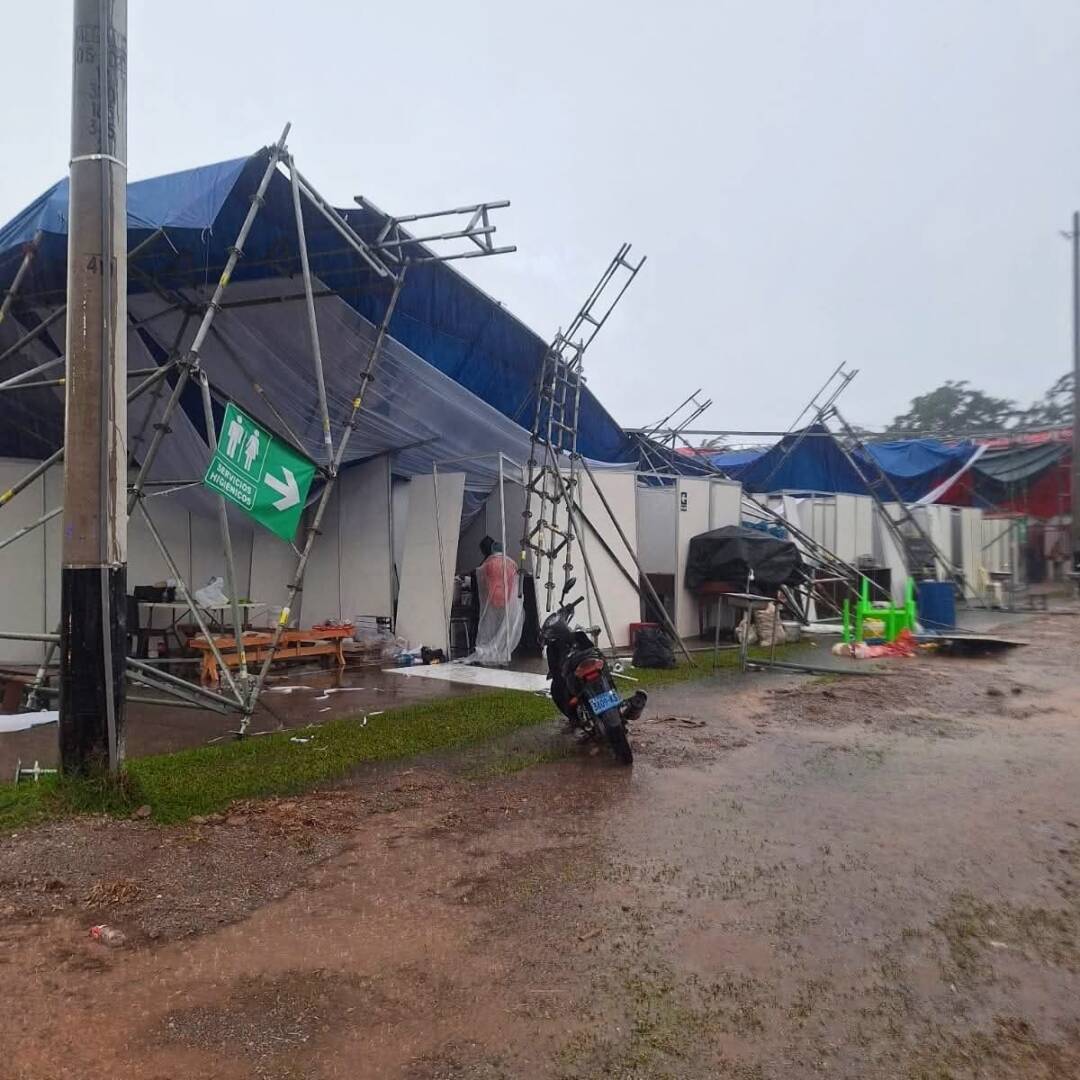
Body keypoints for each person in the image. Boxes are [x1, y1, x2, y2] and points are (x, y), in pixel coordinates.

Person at [467, 536, 524, 665]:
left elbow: (481, 579)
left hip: (492, 598)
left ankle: (490, 651)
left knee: (491, 626)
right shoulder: (511, 563)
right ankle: (503, 651)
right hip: (507, 598)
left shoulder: (489, 563)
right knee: (502, 627)